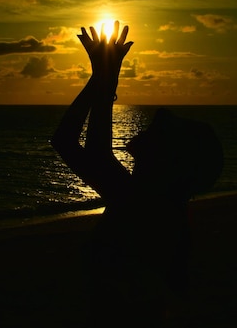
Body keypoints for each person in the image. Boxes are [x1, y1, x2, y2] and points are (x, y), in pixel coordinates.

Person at [51, 21, 223, 326]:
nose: (161, 114)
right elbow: (67, 142)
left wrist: (105, 79)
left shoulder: (145, 205)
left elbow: (87, 149)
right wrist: (100, 78)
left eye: (168, 127)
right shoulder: (149, 201)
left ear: (170, 159)